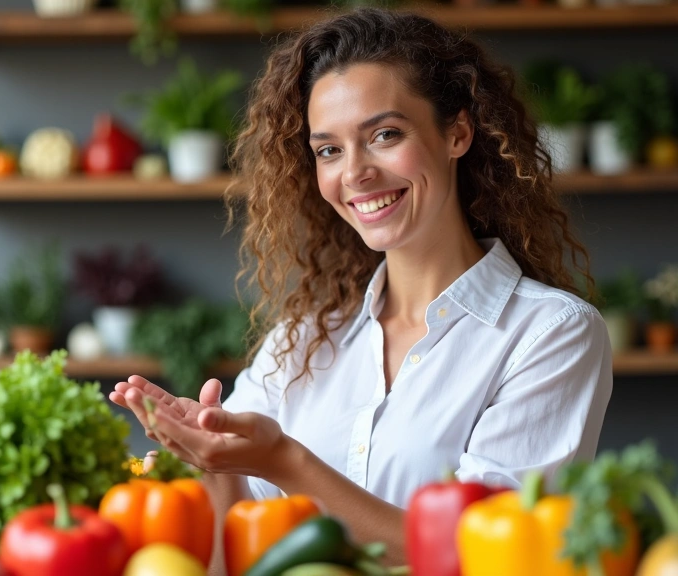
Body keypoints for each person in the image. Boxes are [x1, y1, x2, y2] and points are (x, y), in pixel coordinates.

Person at [110, 7, 612, 569]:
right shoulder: (301, 341)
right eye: (329, 149)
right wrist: (205, 458)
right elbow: (238, 542)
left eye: (385, 135)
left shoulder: (549, 336)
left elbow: (484, 556)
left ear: (458, 132)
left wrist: (284, 460)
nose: (355, 174)